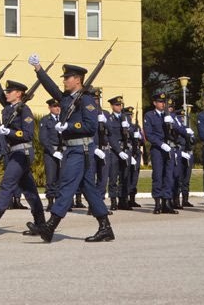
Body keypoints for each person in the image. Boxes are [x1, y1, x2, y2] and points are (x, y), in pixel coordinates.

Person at [26, 56, 114, 243]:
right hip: (73, 149)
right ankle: (106, 228)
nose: (64, 81)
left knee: (66, 185)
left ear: (78, 80)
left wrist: (69, 127)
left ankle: (50, 226)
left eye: (68, 78)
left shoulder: (87, 100)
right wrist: (38, 68)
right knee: (89, 189)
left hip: (81, 149)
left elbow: (90, 127)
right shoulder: (67, 99)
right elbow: (50, 87)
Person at [0, 56, 45, 236]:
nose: (6, 93)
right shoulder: (8, 108)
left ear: (19, 94)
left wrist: (11, 133)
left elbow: (28, 134)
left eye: (10, 91)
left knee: (7, 184)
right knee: (29, 190)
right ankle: (40, 222)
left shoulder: (25, 110)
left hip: (23, 152)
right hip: (14, 153)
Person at [144, 91, 177, 214]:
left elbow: (177, 131)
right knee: (158, 176)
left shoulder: (169, 116)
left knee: (169, 175)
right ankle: (157, 203)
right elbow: (149, 134)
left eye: (164, 102)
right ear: (154, 103)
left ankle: (166, 202)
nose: (163, 104)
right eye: (160, 102)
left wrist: (172, 124)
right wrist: (161, 144)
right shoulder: (149, 115)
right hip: (158, 149)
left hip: (169, 148)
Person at [106, 95, 132, 210]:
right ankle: (113, 201)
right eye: (117, 105)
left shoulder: (125, 118)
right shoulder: (109, 119)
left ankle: (123, 200)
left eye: (120, 105)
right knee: (113, 177)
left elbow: (130, 135)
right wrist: (118, 150)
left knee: (124, 176)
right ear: (112, 106)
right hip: (114, 151)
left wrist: (129, 129)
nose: (119, 107)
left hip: (125, 149)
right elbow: (110, 137)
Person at [39, 98, 63, 212]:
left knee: (61, 177)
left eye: (58, 106)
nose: (57, 108)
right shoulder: (45, 120)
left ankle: (59, 202)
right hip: (51, 152)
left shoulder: (63, 120)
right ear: (50, 108)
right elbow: (43, 138)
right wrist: (53, 152)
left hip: (63, 151)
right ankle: (50, 202)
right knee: (51, 177)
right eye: (54, 106)